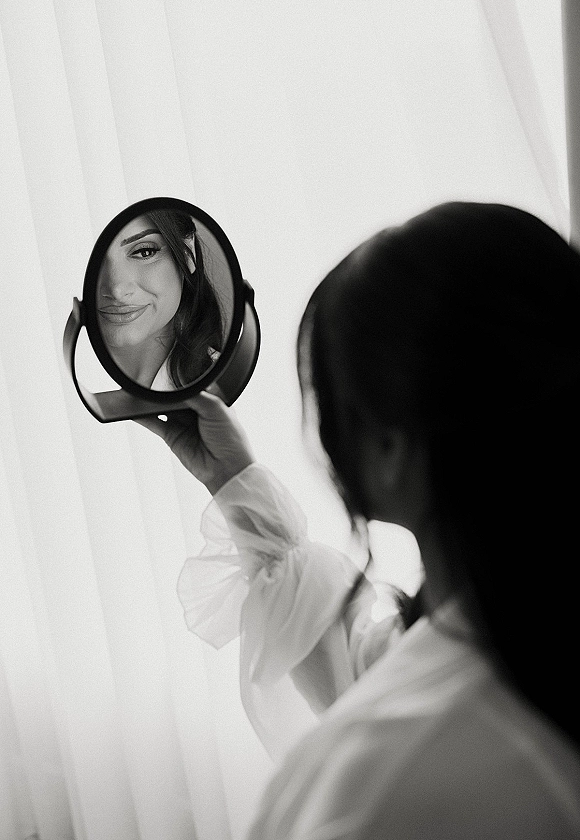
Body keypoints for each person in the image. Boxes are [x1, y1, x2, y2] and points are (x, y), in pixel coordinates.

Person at [136, 201, 580, 839]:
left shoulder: (380, 788)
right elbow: (360, 646)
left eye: (327, 400)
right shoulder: (525, 648)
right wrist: (232, 482)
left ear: (392, 449)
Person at [97, 209, 223, 390]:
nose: (117, 290)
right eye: (94, 261)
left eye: (144, 252)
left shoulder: (226, 385)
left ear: (188, 254)